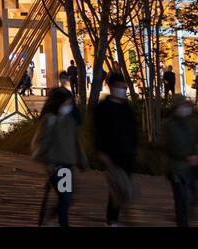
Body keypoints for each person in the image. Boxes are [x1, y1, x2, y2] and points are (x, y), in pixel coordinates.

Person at [32, 87, 85, 226]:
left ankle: (51, 218)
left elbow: (75, 141)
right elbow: (42, 142)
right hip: (58, 165)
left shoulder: (70, 120)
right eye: (66, 103)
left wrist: (82, 161)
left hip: (67, 164)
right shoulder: (50, 120)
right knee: (66, 198)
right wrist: (48, 162)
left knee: (66, 197)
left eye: (70, 103)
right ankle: (61, 222)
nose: (69, 106)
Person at [92, 71, 138, 227]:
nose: (122, 89)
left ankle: (117, 218)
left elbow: (133, 129)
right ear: (111, 87)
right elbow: (97, 131)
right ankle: (112, 220)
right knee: (117, 189)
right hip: (111, 157)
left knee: (123, 189)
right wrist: (101, 152)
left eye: (123, 87)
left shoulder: (126, 107)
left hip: (127, 155)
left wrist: (135, 148)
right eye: (119, 86)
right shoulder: (103, 108)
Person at [161, 95, 198, 227]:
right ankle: (182, 222)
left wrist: (195, 154)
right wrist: (186, 157)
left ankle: (185, 217)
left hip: (190, 167)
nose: (185, 109)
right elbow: (169, 147)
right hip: (176, 167)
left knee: (195, 196)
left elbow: (193, 143)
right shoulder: (168, 125)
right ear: (176, 108)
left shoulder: (189, 123)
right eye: (182, 106)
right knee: (180, 198)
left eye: (186, 106)